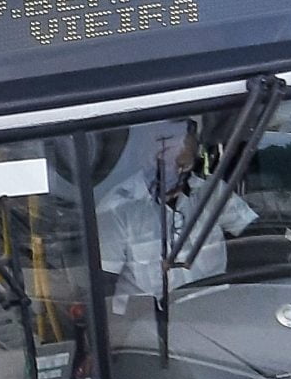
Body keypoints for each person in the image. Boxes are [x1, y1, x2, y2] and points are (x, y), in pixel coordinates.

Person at [92, 117, 258, 314]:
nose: (177, 176)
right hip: (150, 327)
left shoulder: (211, 191)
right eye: (168, 166)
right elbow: (104, 288)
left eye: (183, 168)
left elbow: (256, 233)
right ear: (144, 155)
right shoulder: (116, 209)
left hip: (217, 314)